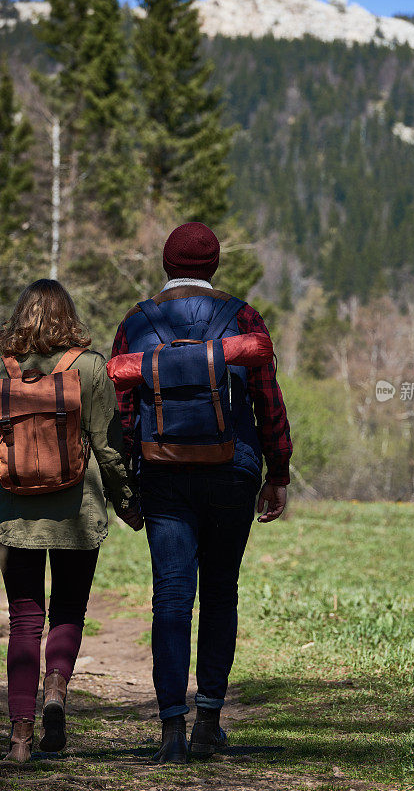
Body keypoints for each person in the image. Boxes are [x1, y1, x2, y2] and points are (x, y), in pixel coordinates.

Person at [111, 222, 292, 763]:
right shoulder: (243, 318)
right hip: (231, 470)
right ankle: (209, 720)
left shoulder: (138, 323)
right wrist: (277, 471)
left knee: (170, 595)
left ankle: (171, 730)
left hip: (163, 474)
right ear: (213, 267)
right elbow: (267, 400)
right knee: (220, 591)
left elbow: (121, 415)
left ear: (167, 265)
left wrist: (127, 485)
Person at [0, 280, 141, 763]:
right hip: (77, 515)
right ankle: (56, 694)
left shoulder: (2, 367)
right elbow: (108, 447)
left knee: (23, 620)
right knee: (67, 612)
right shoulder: (89, 367)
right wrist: (127, 503)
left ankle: (19, 736)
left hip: (14, 514)